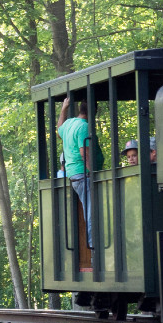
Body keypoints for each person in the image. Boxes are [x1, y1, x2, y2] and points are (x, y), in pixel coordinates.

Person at [58, 98, 103, 247]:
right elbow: (85, 153)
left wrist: (64, 109)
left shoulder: (70, 123)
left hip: (74, 175)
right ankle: (93, 247)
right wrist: (93, 172)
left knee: (89, 208)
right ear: (93, 112)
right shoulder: (84, 126)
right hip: (83, 175)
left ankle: (92, 245)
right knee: (91, 210)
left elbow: (59, 131)